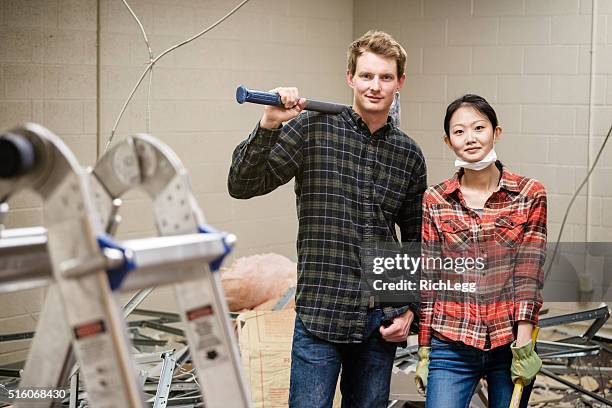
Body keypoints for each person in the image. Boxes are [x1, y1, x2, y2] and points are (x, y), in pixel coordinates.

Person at [228, 30, 427, 407]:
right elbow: (243, 184)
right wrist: (269, 124)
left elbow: (414, 240)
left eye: (385, 77)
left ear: (400, 82)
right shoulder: (311, 129)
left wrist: (410, 308)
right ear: (350, 77)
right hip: (321, 316)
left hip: (379, 323)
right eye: (366, 76)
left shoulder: (409, 155)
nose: (375, 86)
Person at [414, 94, 546, 408]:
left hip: (510, 343)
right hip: (452, 344)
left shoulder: (529, 194)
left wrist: (524, 343)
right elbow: (430, 278)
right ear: (448, 142)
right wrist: (423, 350)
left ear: (496, 132)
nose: (470, 138)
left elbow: (529, 272)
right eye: (459, 132)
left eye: (478, 128)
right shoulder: (435, 199)